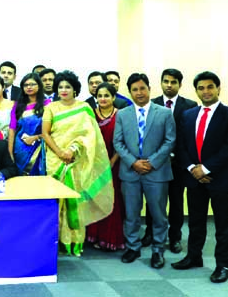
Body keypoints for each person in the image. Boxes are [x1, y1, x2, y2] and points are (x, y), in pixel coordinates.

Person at [171, 71, 228, 283]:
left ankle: (223, 265)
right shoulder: (188, 115)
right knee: (195, 221)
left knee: (222, 225)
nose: (206, 91)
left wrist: (207, 168)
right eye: (201, 88)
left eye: (210, 87)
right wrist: (194, 168)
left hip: (220, 178)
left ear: (218, 88)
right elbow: (182, 146)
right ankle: (194, 257)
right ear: (196, 91)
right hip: (194, 178)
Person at [40, 70, 114, 257]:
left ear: (75, 89)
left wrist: (72, 150)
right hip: (55, 159)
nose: (63, 90)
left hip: (77, 159)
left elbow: (90, 137)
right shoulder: (51, 108)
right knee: (55, 200)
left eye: (68, 87)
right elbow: (46, 133)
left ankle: (74, 240)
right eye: (60, 87)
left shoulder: (84, 108)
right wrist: (60, 152)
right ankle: (55, 240)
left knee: (75, 199)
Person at [113, 74, 176, 269]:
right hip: (130, 172)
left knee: (158, 213)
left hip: (156, 172)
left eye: (142, 88)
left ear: (149, 89)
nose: (139, 93)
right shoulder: (122, 114)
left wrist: (152, 162)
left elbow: (170, 140)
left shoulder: (164, 113)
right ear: (130, 92)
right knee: (131, 213)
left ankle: (158, 249)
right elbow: (118, 142)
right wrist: (133, 163)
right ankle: (133, 246)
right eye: (134, 90)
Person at [144, 68, 198, 252]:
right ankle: (150, 233)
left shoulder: (190, 105)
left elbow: (190, 136)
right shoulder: (152, 104)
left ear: (180, 85)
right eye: (166, 81)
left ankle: (175, 237)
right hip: (156, 163)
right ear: (160, 82)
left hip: (178, 164)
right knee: (153, 200)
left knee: (176, 202)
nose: (169, 85)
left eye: (173, 82)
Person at [84, 83, 126, 252]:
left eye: (107, 95)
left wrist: (112, 161)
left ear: (114, 97)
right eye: (100, 96)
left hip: (114, 164)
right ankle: (96, 235)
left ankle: (111, 239)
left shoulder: (121, 115)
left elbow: (123, 141)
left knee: (113, 200)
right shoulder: (91, 115)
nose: (103, 99)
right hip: (94, 164)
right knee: (95, 198)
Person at [8, 71, 51, 176]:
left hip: (40, 148)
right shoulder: (17, 106)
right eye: (26, 85)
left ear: (39, 86)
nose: (29, 87)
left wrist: (36, 137)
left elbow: (52, 130)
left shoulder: (48, 104)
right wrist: (10, 154)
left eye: (32, 84)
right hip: (20, 150)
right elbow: (12, 131)